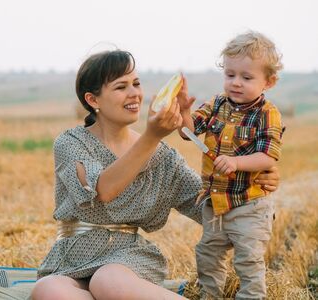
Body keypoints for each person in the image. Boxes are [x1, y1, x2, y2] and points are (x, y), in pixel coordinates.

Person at [31, 49, 280, 300]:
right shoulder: (72, 143)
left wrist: (252, 185)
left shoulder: (163, 158)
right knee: (48, 290)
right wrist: (152, 136)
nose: (134, 94)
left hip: (127, 261)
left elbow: (208, 205)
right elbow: (103, 190)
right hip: (72, 257)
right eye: (121, 87)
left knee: (109, 281)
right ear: (93, 100)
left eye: (136, 84)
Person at [177, 31, 284, 299]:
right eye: (230, 75)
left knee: (248, 259)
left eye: (246, 78)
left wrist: (236, 162)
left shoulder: (267, 113)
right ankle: (209, 295)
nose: (236, 83)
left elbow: (268, 156)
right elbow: (187, 133)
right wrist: (184, 112)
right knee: (208, 254)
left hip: (250, 204)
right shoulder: (216, 104)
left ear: (268, 82)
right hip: (216, 203)